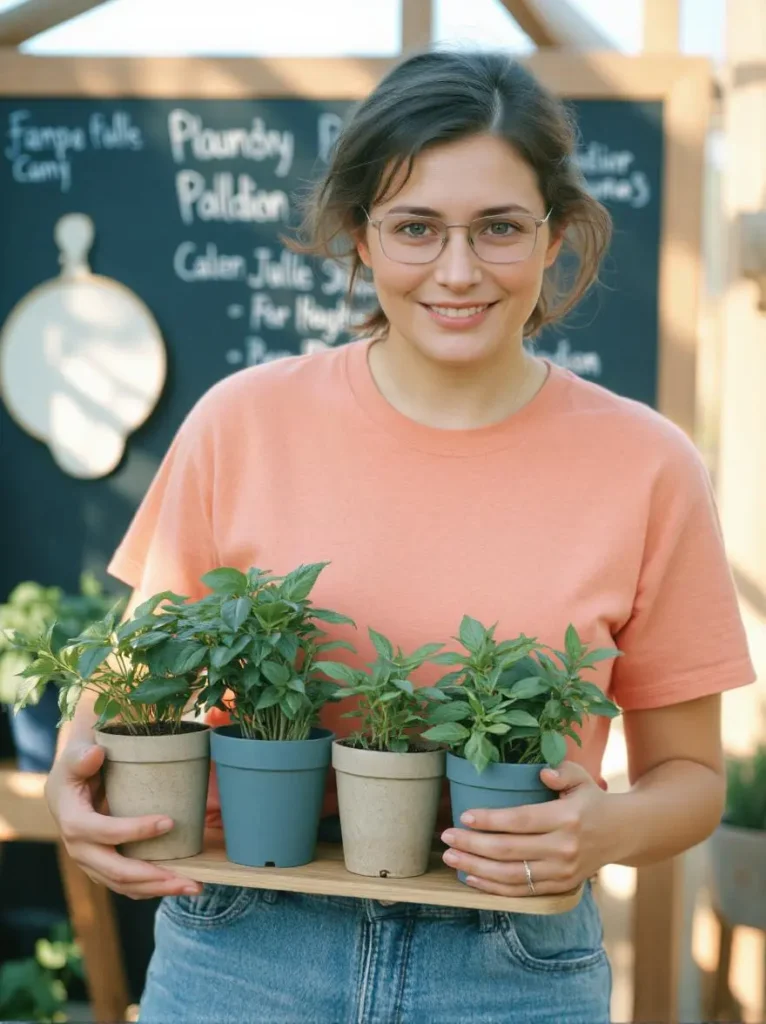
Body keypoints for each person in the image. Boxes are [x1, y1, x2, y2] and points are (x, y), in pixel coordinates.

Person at [44, 50, 754, 1024]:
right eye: (414, 227)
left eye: (499, 227)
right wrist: (79, 790)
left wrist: (602, 828)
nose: (456, 271)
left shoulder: (646, 463)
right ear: (360, 238)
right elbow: (121, 694)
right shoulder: (242, 423)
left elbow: (693, 783)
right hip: (245, 951)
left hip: (509, 972)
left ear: (554, 238)